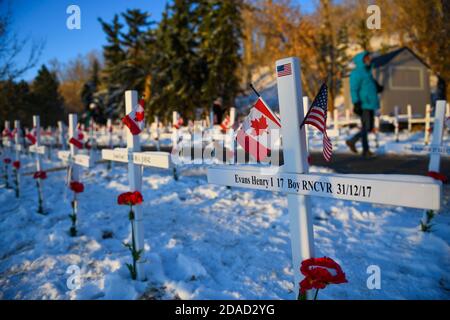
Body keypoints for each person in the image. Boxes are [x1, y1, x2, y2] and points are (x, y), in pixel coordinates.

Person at [346, 51, 382, 158]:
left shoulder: (368, 72)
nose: (369, 59)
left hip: (370, 104)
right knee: (366, 127)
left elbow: (370, 85)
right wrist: (356, 103)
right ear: (361, 60)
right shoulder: (356, 73)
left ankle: (353, 142)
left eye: (369, 57)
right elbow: (353, 89)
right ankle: (363, 149)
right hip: (363, 104)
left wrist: (378, 87)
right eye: (366, 58)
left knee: (369, 127)